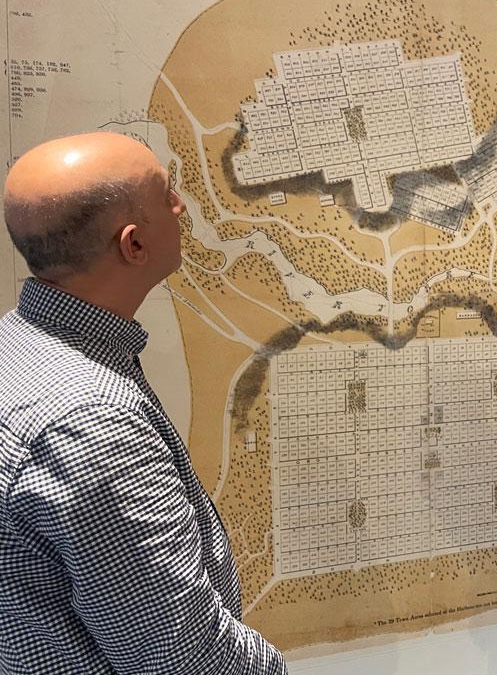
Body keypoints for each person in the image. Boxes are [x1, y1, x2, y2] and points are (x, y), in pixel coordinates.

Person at [0, 132, 286, 674]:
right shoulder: (89, 422)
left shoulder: (18, 347)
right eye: (166, 195)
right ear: (133, 245)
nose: (180, 206)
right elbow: (182, 657)